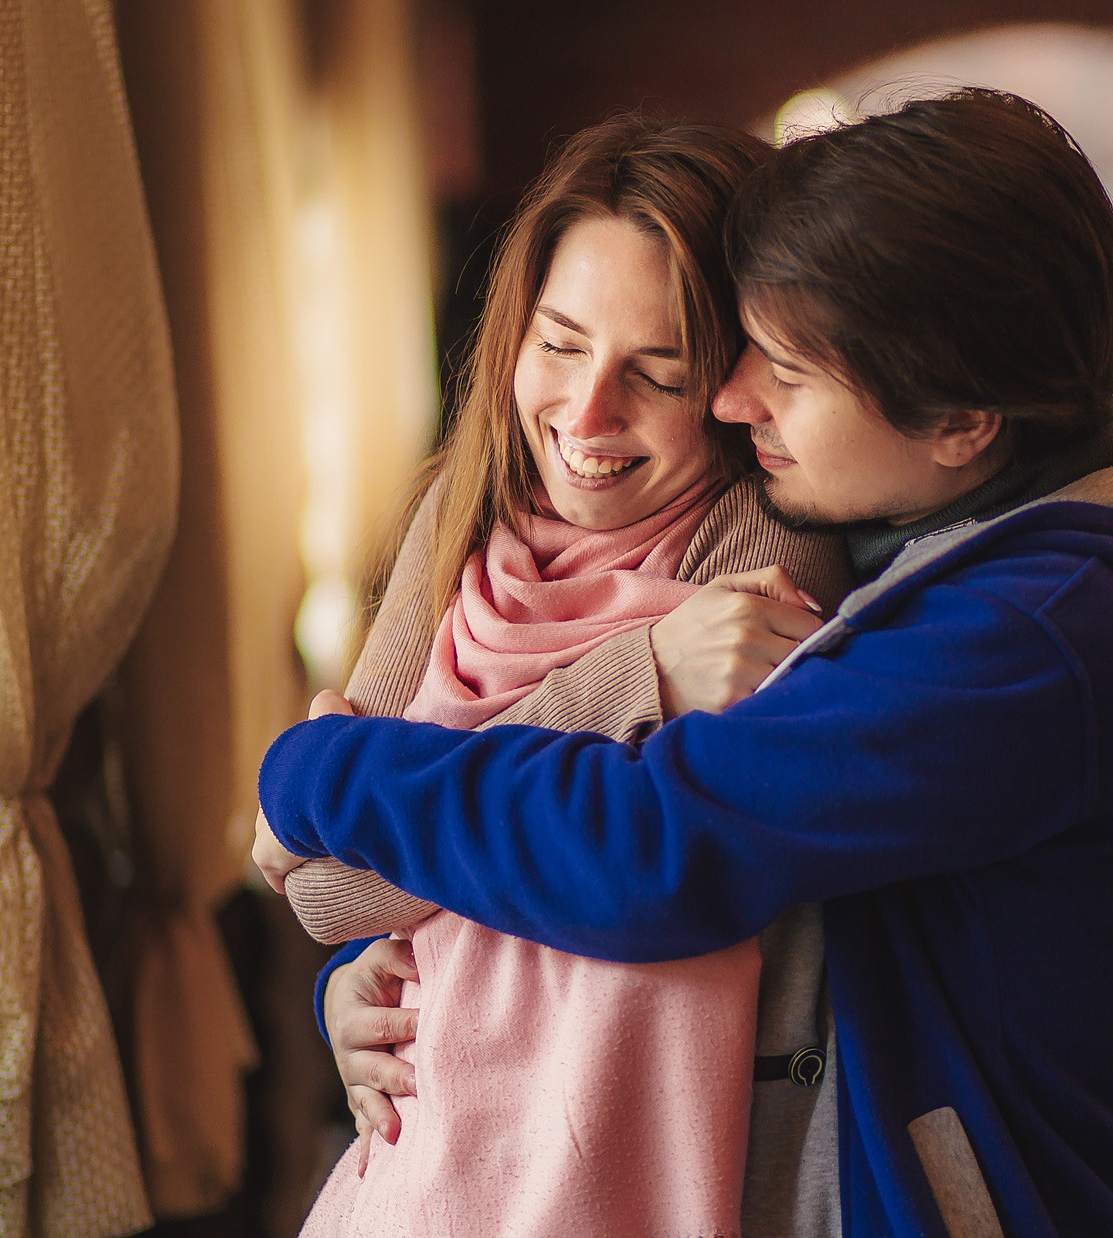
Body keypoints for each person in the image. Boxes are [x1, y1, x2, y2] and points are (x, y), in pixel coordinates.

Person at [261, 89, 1113, 1236]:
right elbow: (387, 896)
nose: (739, 401)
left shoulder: (1023, 642)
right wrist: (377, 978)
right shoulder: (969, 570)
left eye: (783, 373)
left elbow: (652, 849)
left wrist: (316, 772)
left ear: (961, 421)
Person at [252, 114, 856, 1236]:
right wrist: (639, 674)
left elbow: (617, 866)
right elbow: (334, 895)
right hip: (427, 1164)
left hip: (611, 1175)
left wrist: (360, 795)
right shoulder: (462, 509)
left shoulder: (761, 554)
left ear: (732, 385)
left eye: (657, 372)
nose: (585, 416)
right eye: (561, 342)